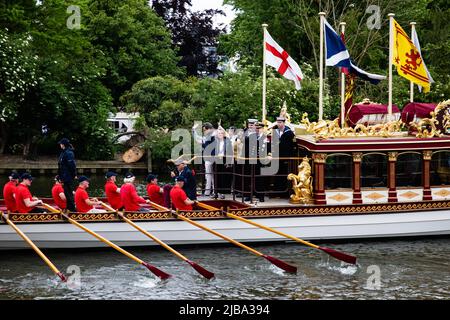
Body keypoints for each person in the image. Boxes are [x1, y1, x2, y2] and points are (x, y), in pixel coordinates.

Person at [272, 116, 295, 196]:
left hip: (285, 157)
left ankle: (284, 192)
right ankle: (276, 191)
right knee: (277, 174)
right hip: (276, 156)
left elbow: (290, 146)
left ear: (284, 123)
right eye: (278, 122)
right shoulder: (275, 131)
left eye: (280, 122)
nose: (279, 124)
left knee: (284, 174)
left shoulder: (289, 133)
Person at [193, 122, 216, 196]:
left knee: (211, 175)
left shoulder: (213, 135)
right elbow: (198, 140)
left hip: (212, 158)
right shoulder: (208, 136)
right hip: (209, 158)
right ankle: (209, 191)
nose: (204, 132)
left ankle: (210, 192)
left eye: (204, 130)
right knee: (209, 175)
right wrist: (193, 130)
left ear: (208, 129)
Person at [212, 127, 233, 199]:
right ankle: (215, 192)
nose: (220, 134)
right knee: (216, 176)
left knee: (222, 177)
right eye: (219, 133)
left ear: (224, 134)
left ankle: (222, 193)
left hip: (224, 160)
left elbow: (230, 151)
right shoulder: (215, 141)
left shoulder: (227, 141)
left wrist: (228, 162)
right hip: (216, 160)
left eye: (221, 133)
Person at [57, 138, 77, 212]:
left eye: (61, 144)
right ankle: (69, 208)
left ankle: (72, 210)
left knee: (68, 193)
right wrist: (59, 175)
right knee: (66, 192)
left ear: (63, 144)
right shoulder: (64, 152)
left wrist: (74, 174)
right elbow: (61, 166)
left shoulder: (68, 153)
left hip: (68, 176)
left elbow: (72, 165)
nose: (60, 145)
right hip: (64, 176)